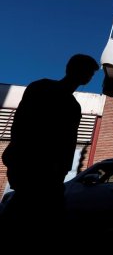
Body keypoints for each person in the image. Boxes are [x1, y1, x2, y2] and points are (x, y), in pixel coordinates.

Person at [1, 54, 99, 237]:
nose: (89, 77)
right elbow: (22, 124)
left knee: (29, 215)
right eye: (88, 73)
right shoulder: (44, 89)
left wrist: (60, 170)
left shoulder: (67, 103)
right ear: (77, 71)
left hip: (48, 174)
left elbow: (67, 141)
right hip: (34, 169)